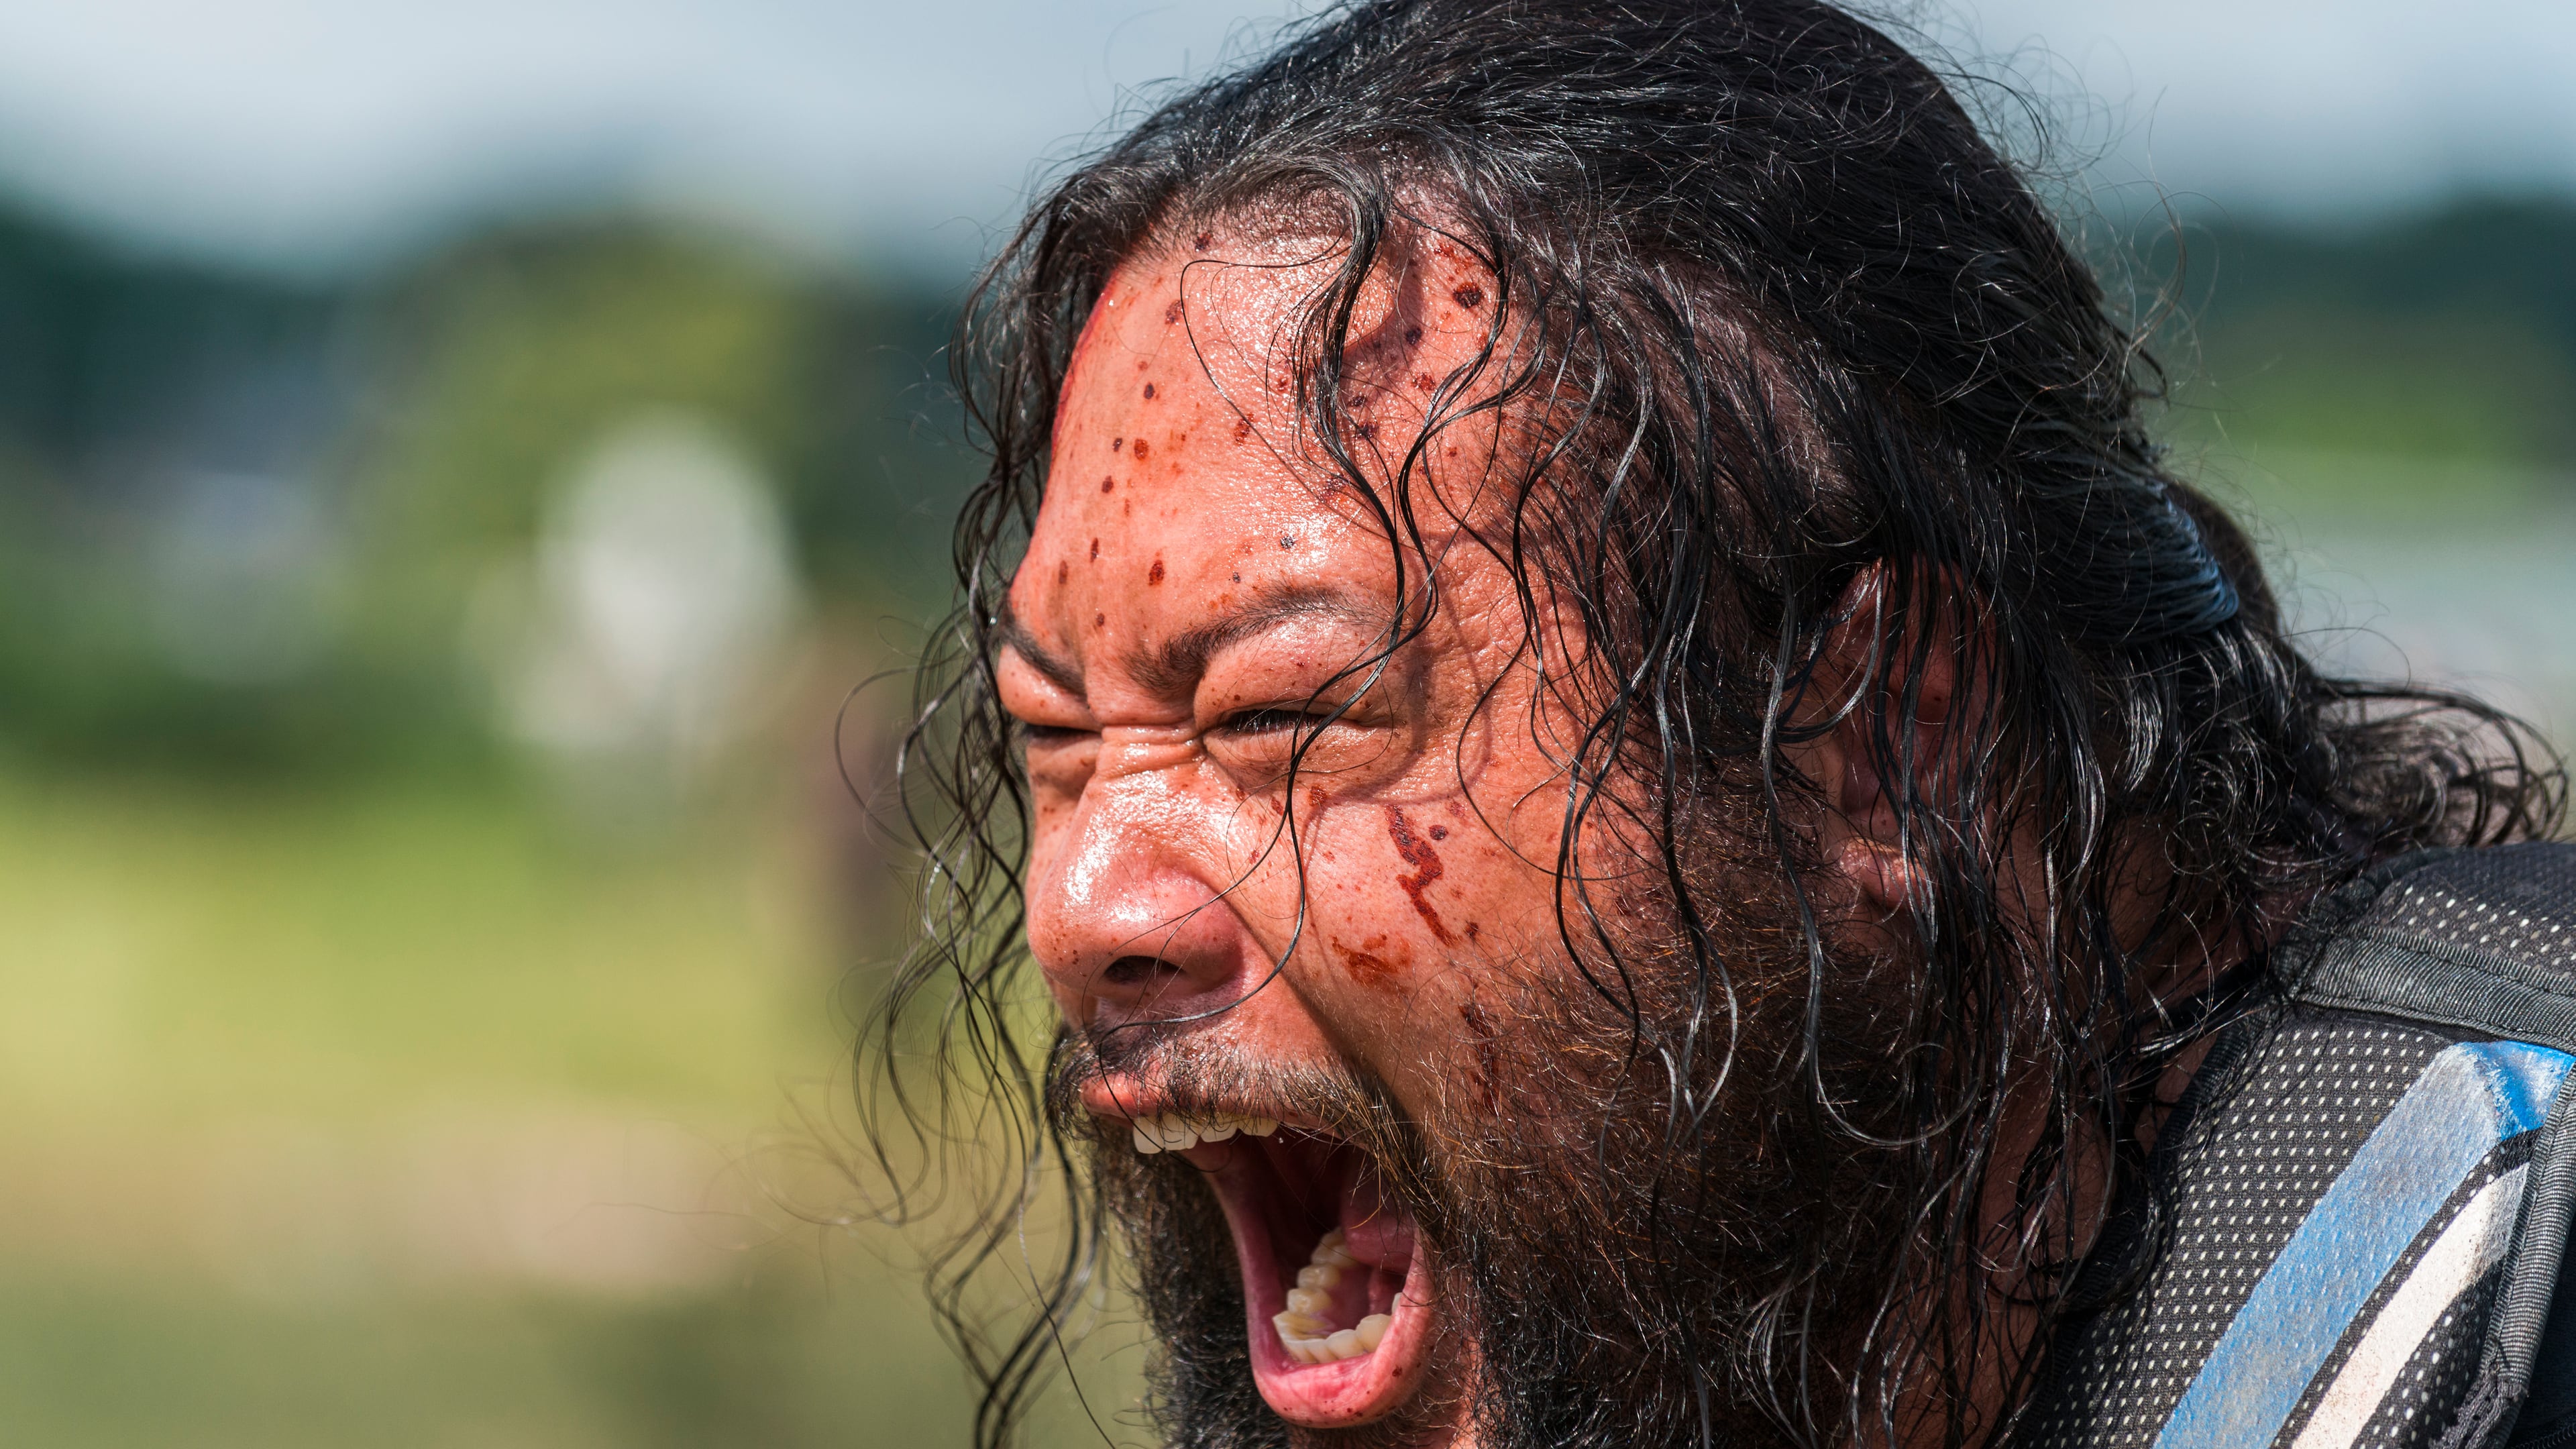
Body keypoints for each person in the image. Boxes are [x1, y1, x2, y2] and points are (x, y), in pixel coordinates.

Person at [871, 2, 2576, 1446]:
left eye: (1280, 717)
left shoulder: (2510, 1277)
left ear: (1891, 736)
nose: (1084, 908)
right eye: (1060, 746)